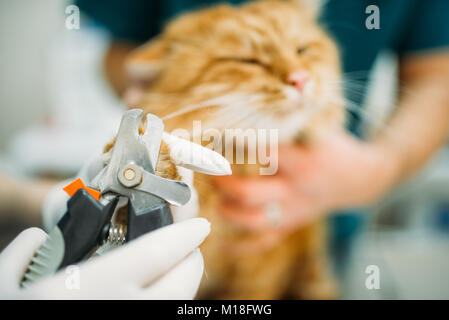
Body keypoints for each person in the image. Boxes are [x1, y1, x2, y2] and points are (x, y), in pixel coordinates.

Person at [75, 0, 449, 272]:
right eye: (251, 61)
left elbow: (437, 74)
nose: (296, 76)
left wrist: (377, 171)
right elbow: (122, 51)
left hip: (329, 220)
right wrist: (170, 98)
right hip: (177, 212)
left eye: (302, 51)